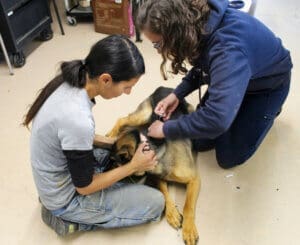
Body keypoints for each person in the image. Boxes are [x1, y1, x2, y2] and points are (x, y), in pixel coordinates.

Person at [22, 35, 165, 235]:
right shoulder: (78, 118)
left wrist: (113, 142)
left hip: (56, 176)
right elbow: (84, 187)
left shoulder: (73, 77)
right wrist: (135, 166)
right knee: (156, 203)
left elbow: (69, 137)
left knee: (113, 156)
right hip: (66, 199)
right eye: (126, 87)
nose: (129, 93)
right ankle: (66, 219)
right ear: (106, 79)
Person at [137, 0, 293, 169]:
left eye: (157, 43)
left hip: (265, 87)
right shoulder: (197, 23)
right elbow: (204, 64)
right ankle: (233, 107)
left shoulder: (227, 51)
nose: (158, 50)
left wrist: (166, 129)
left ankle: (269, 111)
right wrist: (177, 94)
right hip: (236, 76)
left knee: (228, 156)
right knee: (199, 141)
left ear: (176, 34)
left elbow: (217, 120)